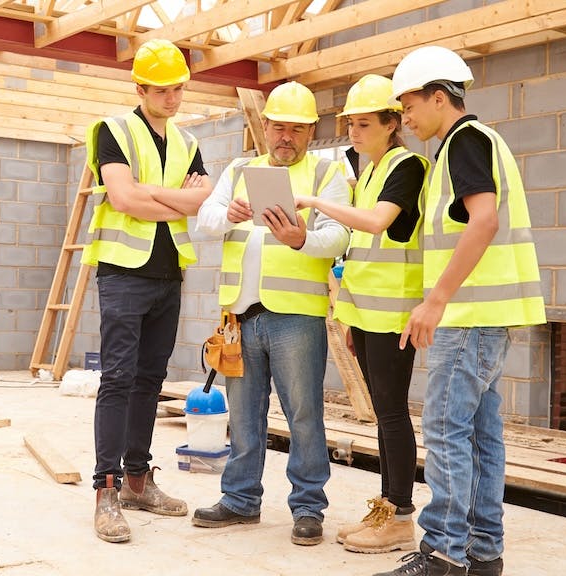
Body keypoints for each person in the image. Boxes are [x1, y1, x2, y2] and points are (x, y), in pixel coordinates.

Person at [374, 46, 546, 576]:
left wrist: (435, 299)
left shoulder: (464, 141)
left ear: (439, 97)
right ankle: (481, 551)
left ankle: (444, 552)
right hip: (486, 316)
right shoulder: (474, 144)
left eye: (409, 107)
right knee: (480, 433)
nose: (406, 118)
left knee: (447, 428)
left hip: (468, 317)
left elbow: (484, 220)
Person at [192, 81, 351, 546]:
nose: (286, 137)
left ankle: (308, 508)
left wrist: (303, 238)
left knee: (304, 415)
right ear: (266, 127)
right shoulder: (241, 169)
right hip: (242, 315)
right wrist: (231, 214)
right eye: (278, 128)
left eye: (296, 130)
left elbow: (340, 236)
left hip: (295, 317)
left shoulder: (326, 175)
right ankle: (240, 501)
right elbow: (205, 220)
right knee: (243, 416)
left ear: (311, 131)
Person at [82, 38, 213, 544]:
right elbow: (121, 196)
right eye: (163, 90)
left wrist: (151, 194)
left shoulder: (187, 141)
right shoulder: (112, 131)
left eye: (179, 89)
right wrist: (176, 199)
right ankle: (106, 490)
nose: (173, 98)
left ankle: (138, 478)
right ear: (139, 87)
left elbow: (201, 202)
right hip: (122, 271)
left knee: (149, 381)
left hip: (168, 274)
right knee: (117, 378)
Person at [295, 74, 428, 555]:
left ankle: (400, 516)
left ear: (393, 124)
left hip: (394, 313)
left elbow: (375, 223)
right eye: (350, 123)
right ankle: (385, 508)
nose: (354, 132)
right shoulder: (368, 169)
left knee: (392, 413)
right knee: (382, 414)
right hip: (367, 312)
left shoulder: (406, 166)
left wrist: (312, 201)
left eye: (364, 123)